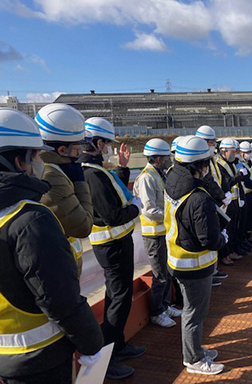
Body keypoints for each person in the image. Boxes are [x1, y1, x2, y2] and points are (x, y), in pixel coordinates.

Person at [0, 108, 103, 384]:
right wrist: (92, 344)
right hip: (40, 357)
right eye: (35, 155)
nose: (40, 161)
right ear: (18, 161)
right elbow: (58, 298)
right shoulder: (29, 219)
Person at [78, 117, 145, 379]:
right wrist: (135, 208)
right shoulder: (92, 174)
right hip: (112, 245)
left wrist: (123, 168)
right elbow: (112, 214)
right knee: (118, 299)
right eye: (107, 144)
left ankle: (118, 345)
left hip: (117, 243)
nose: (109, 148)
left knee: (120, 296)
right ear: (97, 143)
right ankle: (110, 356)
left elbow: (112, 191)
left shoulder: (97, 171)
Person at [165, 135, 226, 375]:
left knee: (193, 311)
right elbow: (208, 239)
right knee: (194, 312)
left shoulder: (174, 179)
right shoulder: (198, 197)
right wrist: (223, 239)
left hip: (179, 257)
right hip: (193, 264)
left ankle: (196, 350)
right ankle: (193, 359)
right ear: (201, 165)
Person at [36, 103, 93, 277]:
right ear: (62, 150)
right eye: (77, 148)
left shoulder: (48, 169)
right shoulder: (51, 176)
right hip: (59, 270)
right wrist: (79, 182)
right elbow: (83, 226)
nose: (80, 153)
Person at [133, 138, 182, 328]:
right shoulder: (147, 178)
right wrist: (172, 216)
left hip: (163, 232)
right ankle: (156, 312)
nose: (169, 160)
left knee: (167, 271)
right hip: (154, 234)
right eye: (166, 157)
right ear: (158, 159)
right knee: (160, 274)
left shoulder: (158, 174)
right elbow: (149, 210)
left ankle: (165, 305)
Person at [194, 126, 230, 282]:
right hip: (207, 205)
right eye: (210, 142)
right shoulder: (198, 162)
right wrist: (221, 197)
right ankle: (210, 273)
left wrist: (222, 197)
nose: (213, 146)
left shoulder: (210, 160)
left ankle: (213, 270)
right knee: (208, 238)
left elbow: (215, 181)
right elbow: (207, 182)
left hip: (215, 203)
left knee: (215, 235)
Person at [216, 138, 247, 262]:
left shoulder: (233, 162)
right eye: (232, 152)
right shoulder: (219, 165)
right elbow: (227, 182)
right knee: (227, 230)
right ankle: (225, 254)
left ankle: (233, 249)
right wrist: (239, 176)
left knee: (234, 228)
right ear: (223, 152)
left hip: (235, 201)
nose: (235, 154)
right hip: (226, 203)